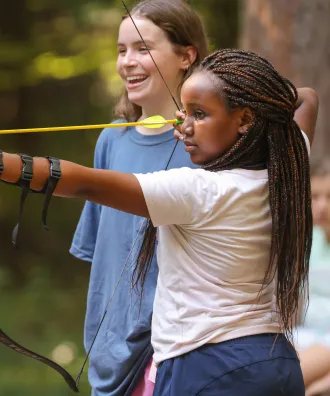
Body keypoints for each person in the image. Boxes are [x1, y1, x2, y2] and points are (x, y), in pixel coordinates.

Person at [0, 48, 319, 395]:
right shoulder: (286, 165)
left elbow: (85, 182)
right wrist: (260, 99)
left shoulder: (200, 191)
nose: (185, 126)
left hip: (208, 368)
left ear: (245, 120)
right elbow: (307, 99)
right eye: (185, 113)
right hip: (277, 365)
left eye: (199, 114)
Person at [69, 0, 208, 395]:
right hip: (108, 355)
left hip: (172, 351)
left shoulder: (206, 147)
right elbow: (103, 261)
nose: (127, 62)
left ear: (186, 55)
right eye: (121, 50)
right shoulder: (111, 139)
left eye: (143, 48)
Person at [294, 159, 330, 395]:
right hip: (303, 335)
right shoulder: (308, 242)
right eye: (315, 197)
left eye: (329, 197)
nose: (322, 206)